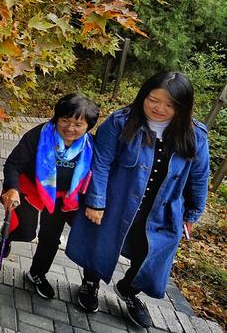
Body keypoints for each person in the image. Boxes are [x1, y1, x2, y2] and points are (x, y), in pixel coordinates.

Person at [66, 72, 210, 328]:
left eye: (169, 105)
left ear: (182, 107)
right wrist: (96, 200)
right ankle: (91, 282)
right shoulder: (121, 122)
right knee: (101, 243)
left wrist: (191, 214)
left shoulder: (195, 135)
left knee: (151, 257)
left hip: (162, 209)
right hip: (117, 201)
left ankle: (129, 290)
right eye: (153, 100)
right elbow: (101, 162)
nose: (160, 109)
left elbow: (199, 177)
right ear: (144, 95)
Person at [0, 93, 100, 300]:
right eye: (65, 120)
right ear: (56, 118)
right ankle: (7, 234)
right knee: (25, 232)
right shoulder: (38, 135)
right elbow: (13, 164)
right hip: (31, 189)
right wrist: (12, 188)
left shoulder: (91, 146)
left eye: (78, 124)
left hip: (62, 198)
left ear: (88, 127)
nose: (70, 128)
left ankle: (37, 274)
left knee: (50, 237)